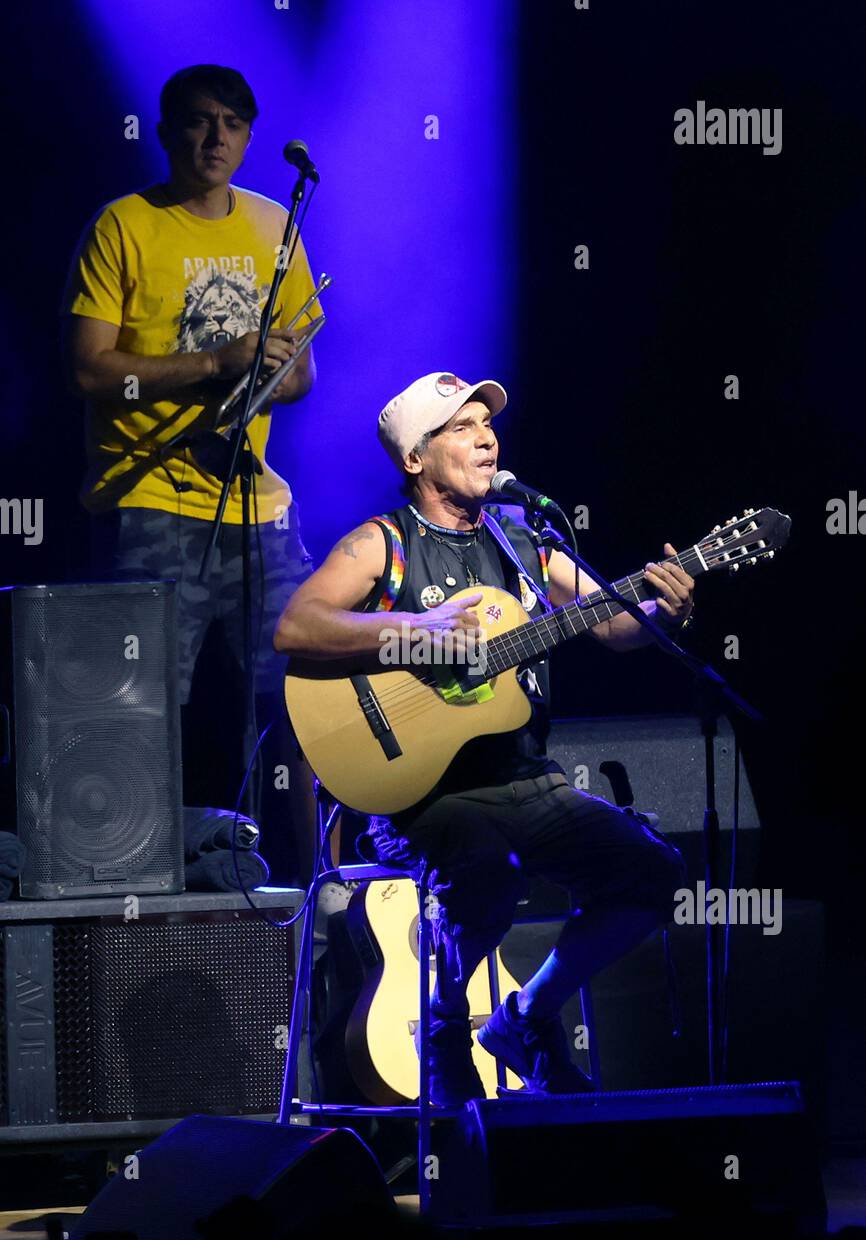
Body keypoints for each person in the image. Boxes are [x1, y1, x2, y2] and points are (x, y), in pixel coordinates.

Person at [274, 372, 695, 1105]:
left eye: (486, 424)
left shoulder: (524, 539)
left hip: (528, 783)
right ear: (416, 460)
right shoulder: (385, 543)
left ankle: (525, 1016)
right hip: (423, 797)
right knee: (489, 868)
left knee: (653, 872)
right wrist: (419, 631)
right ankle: (442, 1028)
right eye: (461, 428)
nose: (485, 436)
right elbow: (296, 627)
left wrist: (668, 609)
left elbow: (613, 624)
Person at [61, 64, 320, 878]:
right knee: (133, 720)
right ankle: (127, 898)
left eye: (234, 124)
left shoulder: (275, 224)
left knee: (306, 704)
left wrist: (267, 368)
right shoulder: (124, 226)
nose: (217, 138)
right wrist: (218, 361)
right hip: (150, 503)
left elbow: (306, 374)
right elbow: (92, 372)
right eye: (201, 122)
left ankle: (319, 892)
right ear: (169, 130)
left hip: (258, 506)